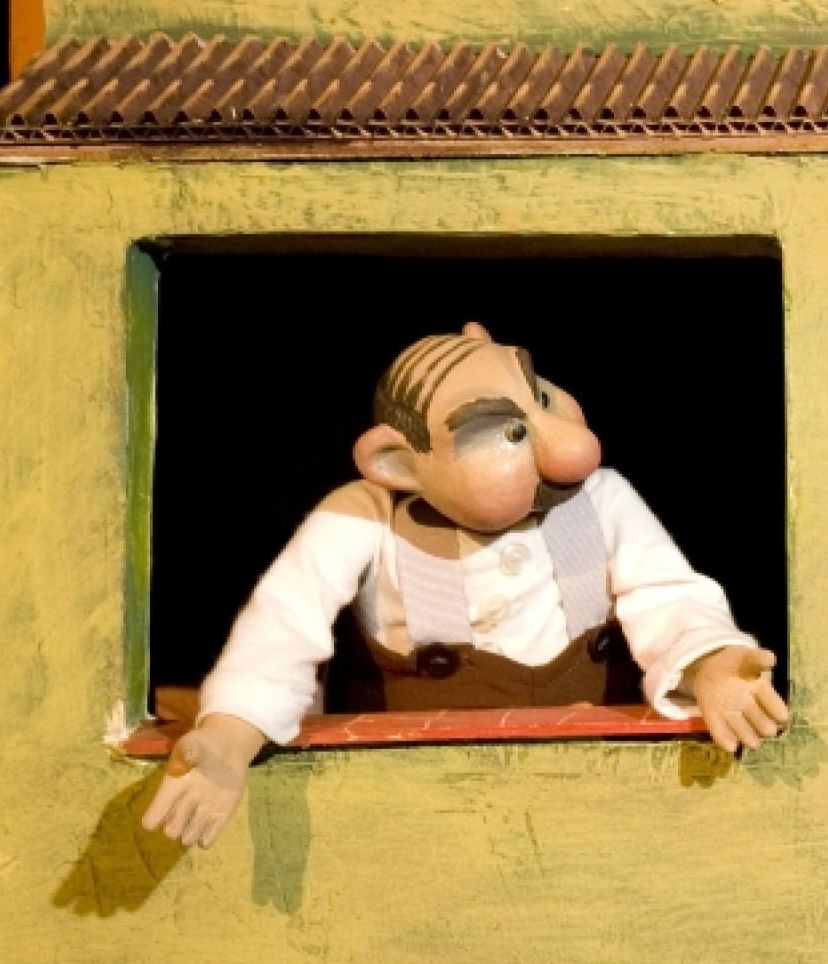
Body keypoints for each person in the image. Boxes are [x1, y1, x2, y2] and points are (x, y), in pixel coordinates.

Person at [140, 324, 787, 849]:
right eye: (506, 431)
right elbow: (283, 625)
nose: (566, 446)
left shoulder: (604, 498)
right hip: (418, 807)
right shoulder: (364, 517)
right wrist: (231, 735)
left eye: (542, 398)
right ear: (399, 463)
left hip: (588, 791)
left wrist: (711, 663)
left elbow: (668, 595)